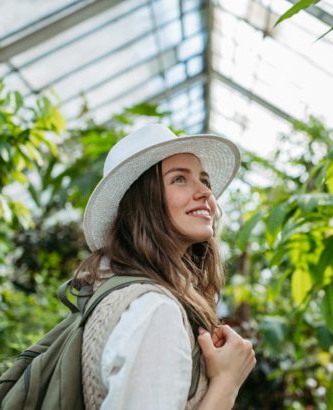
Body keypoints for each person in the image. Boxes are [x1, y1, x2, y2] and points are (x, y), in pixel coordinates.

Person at [73, 124, 255, 409]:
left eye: (204, 180)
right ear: (142, 202)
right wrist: (227, 384)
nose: (205, 193)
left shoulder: (127, 292)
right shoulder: (155, 311)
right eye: (179, 179)